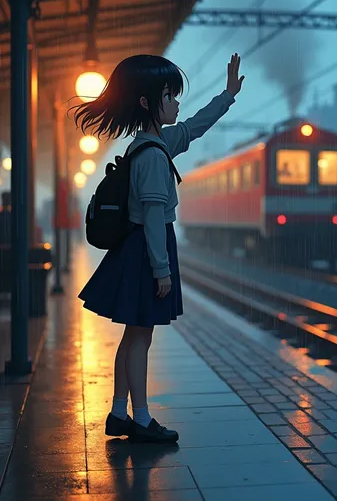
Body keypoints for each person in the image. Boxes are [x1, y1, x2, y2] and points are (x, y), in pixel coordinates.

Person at [72, 53, 244, 443]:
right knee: (141, 337)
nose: (177, 102)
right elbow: (152, 218)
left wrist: (228, 95)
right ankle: (143, 419)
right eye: (170, 95)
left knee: (132, 335)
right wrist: (162, 269)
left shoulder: (155, 143)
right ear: (147, 102)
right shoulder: (153, 155)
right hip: (145, 251)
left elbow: (195, 126)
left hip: (137, 250)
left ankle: (119, 413)